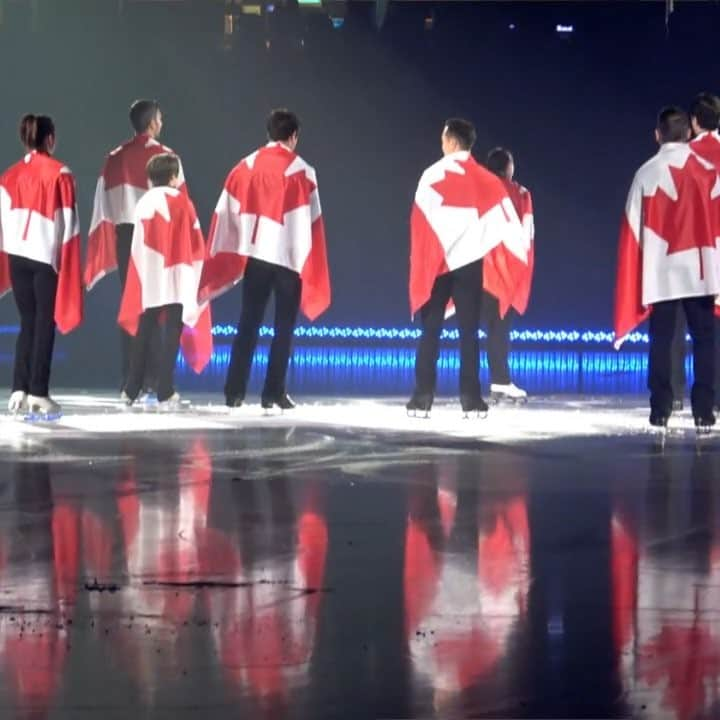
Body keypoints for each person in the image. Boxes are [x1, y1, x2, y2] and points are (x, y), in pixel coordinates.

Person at [199, 109, 331, 410]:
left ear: (269, 133)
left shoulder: (245, 166)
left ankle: (234, 391)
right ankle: (273, 392)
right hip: (287, 259)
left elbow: (226, 211)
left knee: (248, 323)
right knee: (283, 327)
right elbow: (312, 222)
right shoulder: (303, 170)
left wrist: (233, 246)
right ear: (293, 136)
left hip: (256, 257)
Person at [407, 119, 527, 416]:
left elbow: (419, 223)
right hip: (470, 265)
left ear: (450, 141)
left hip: (437, 265)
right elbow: (507, 223)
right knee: (468, 333)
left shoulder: (431, 175)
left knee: (431, 331)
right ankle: (471, 401)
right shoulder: (486, 179)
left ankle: (422, 399)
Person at [614, 106, 720, 431]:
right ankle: (705, 410)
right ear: (689, 133)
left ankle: (660, 409)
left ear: (657, 135)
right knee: (705, 340)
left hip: (660, 271)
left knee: (661, 339)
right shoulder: (708, 171)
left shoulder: (645, 173)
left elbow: (632, 228)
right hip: (701, 270)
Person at [84, 99, 185, 394]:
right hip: (158, 236)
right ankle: (153, 379)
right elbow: (181, 203)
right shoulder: (168, 158)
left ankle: (130, 377)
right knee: (155, 305)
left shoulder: (115, 157)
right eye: (161, 119)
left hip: (126, 235)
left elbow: (103, 207)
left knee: (133, 303)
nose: (162, 124)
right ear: (152, 123)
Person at [0, 114, 83, 417]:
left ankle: (18, 390)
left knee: (27, 322)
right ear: (50, 138)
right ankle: (38, 392)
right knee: (44, 323)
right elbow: (67, 222)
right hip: (44, 254)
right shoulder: (61, 173)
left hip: (15, 255)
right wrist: (66, 262)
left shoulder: (8, 175)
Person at [118, 153, 212, 409]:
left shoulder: (143, 203)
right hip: (177, 274)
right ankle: (165, 389)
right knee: (172, 331)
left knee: (144, 330)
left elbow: (137, 244)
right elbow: (196, 243)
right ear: (173, 177)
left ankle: (131, 389)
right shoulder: (184, 202)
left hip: (149, 274)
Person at [483, 147, 535, 403]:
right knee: (499, 328)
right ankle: (500, 381)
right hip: (505, 270)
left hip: (480, 270)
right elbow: (526, 232)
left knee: (490, 328)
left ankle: (497, 381)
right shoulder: (520, 193)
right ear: (508, 167)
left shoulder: (478, 191)